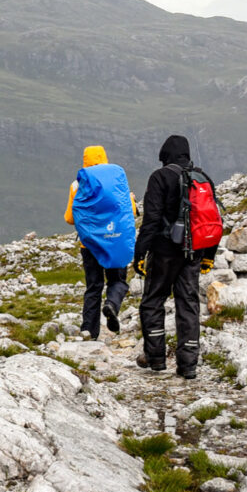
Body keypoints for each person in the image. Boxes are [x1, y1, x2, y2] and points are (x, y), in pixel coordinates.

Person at [132, 134, 217, 380]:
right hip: (194, 253)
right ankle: (188, 364)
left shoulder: (160, 177)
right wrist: (208, 256)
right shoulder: (201, 178)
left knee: (153, 301)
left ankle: (156, 358)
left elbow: (151, 220)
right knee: (188, 304)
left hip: (164, 252)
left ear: (165, 154)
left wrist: (140, 253)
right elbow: (212, 219)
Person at [65, 145, 136, 340]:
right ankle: (112, 304)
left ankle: (89, 330)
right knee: (117, 280)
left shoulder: (77, 184)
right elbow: (129, 211)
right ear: (105, 158)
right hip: (115, 242)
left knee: (94, 286)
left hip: (90, 245)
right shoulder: (116, 180)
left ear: (85, 159)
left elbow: (70, 218)